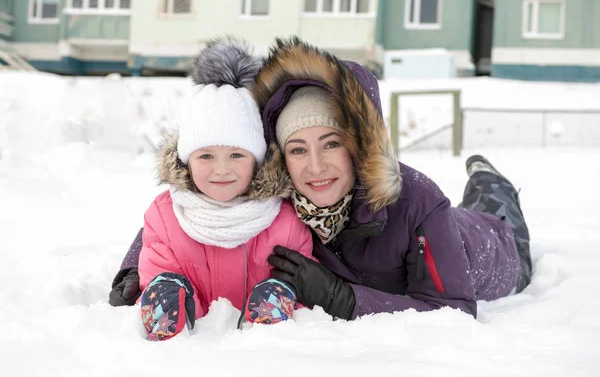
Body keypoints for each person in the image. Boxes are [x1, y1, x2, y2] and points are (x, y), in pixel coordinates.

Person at [111, 37, 532, 321]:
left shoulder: (417, 201)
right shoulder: (276, 188)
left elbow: (453, 311)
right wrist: (134, 271)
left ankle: (491, 184)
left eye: (331, 144)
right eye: (297, 149)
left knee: (498, 215)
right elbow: (186, 208)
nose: (315, 167)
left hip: (484, 248)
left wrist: (344, 299)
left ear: (360, 145)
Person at [136, 39, 313, 341]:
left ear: (257, 161)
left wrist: (285, 291)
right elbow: (155, 263)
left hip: (263, 357)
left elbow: (305, 275)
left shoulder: (285, 220)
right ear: (186, 161)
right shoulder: (166, 215)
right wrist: (164, 288)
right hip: (183, 358)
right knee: (166, 290)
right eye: (206, 156)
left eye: (236, 155)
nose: (221, 169)